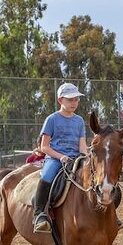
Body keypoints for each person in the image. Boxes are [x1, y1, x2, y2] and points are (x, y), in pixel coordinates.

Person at [33, 83, 88, 233]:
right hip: (56, 159)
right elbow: (44, 147)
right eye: (70, 100)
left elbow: (82, 144)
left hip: (76, 159)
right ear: (60, 100)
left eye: (76, 99)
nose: (74, 103)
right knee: (47, 177)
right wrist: (61, 157)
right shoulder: (52, 119)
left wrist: (86, 157)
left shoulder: (80, 121)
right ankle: (39, 215)